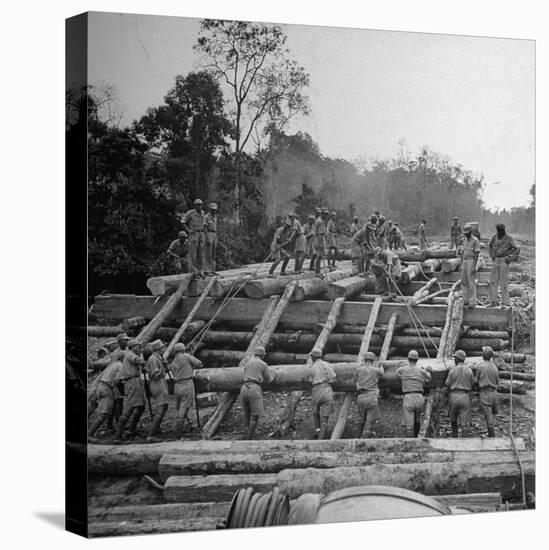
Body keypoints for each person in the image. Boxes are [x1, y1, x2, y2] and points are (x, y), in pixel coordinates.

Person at [239, 346, 276, 440]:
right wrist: (274, 376)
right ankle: (248, 439)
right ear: (262, 355)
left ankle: (244, 435)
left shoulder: (248, 362)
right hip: (254, 389)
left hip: (244, 388)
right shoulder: (263, 364)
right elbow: (268, 379)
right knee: (255, 416)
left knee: (246, 413)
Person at [113, 339, 146, 442]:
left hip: (137, 381)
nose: (138, 348)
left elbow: (139, 364)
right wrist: (145, 360)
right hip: (131, 382)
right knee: (130, 407)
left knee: (141, 407)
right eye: (136, 346)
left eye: (139, 346)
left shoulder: (134, 354)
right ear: (131, 347)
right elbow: (138, 361)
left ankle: (131, 430)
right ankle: (117, 436)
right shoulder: (129, 354)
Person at [169, 343, 203, 438]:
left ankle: (189, 425)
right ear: (183, 350)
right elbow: (200, 364)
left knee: (180, 407)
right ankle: (178, 433)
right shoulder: (187, 356)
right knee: (185, 407)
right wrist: (191, 358)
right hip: (187, 384)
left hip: (177, 386)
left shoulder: (173, 361)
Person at [396, 350, 432, 437]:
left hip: (408, 397)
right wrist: (427, 370)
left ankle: (410, 442)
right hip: (419, 397)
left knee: (409, 424)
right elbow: (429, 378)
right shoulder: (421, 370)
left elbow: (397, 374)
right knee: (417, 419)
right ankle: (417, 438)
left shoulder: (402, 370)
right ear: (417, 360)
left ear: (408, 359)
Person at [88, 355, 123, 439]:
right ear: (122, 358)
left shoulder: (112, 364)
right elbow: (117, 381)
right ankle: (89, 434)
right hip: (107, 388)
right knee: (104, 413)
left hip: (100, 386)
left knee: (93, 408)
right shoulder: (120, 366)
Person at [488, 223, 520, 307]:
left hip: (504, 260)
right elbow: (490, 246)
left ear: (503, 230)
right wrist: (492, 256)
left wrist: (511, 258)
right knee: (493, 281)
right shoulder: (494, 237)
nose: (499, 232)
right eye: (498, 230)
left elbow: (517, 248)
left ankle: (504, 302)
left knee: (503, 282)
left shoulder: (509, 238)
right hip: (496, 260)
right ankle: (493, 301)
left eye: (501, 230)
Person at [444, 350, 475, 437]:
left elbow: (447, 384)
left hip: (453, 396)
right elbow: (472, 383)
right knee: (464, 422)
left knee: (453, 419)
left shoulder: (452, 370)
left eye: (455, 358)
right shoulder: (469, 370)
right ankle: (464, 442)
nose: (454, 360)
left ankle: (455, 438)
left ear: (457, 359)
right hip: (465, 397)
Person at [308, 348, 336, 439]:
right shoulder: (328, 365)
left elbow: (310, 380)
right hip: (327, 390)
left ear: (313, 357)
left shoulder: (312, 367)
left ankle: (317, 431)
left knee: (315, 412)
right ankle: (322, 436)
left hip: (316, 391)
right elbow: (333, 379)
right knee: (325, 415)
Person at [354, 351, 384, 438]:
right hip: (371, 398)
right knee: (370, 421)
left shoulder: (358, 370)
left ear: (364, 360)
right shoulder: (375, 370)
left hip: (360, 398)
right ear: (373, 361)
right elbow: (381, 373)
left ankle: (357, 438)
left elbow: (355, 379)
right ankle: (364, 441)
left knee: (362, 420)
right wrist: (380, 365)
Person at [145, 339, 169, 442]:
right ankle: (151, 435)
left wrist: (164, 365)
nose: (164, 348)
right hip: (157, 384)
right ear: (159, 349)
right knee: (161, 407)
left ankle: (157, 430)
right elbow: (154, 376)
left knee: (165, 406)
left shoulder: (158, 357)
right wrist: (162, 368)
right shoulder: (153, 359)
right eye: (162, 347)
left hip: (161, 383)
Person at [474, 346, 500, 437]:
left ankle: (492, 438)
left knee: (489, 417)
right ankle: (492, 433)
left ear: (483, 355)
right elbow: (497, 382)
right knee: (493, 415)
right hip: (494, 393)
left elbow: (476, 381)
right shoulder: (495, 367)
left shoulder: (480, 366)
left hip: (485, 393)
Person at [458, 223, 481, 308]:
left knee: (471, 282)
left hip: (471, 261)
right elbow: (462, 253)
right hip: (464, 261)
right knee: (463, 281)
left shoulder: (475, 240)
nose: (466, 234)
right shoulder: (464, 240)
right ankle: (465, 300)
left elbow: (477, 254)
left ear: (470, 232)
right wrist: (461, 264)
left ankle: (472, 301)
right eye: (465, 233)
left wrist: (474, 266)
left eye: (467, 233)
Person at [182, 198, 205, 275]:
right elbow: (183, 221)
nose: (199, 206)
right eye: (198, 205)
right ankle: (192, 271)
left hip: (201, 234)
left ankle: (200, 271)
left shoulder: (203, 213)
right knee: (193, 253)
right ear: (195, 206)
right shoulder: (190, 213)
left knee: (201, 253)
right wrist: (188, 230)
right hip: (193, 234)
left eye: (200, 205)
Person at [312, 207, 329, 275]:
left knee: (319, 257)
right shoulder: (320, 221)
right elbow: (320, 234)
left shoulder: (320, 220)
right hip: (319, 240)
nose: (326, 215)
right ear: (322, 214)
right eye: (325, 214)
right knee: (319, 256)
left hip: (318, 239)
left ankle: (317, 271)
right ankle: (317, 272)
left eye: (326, 214)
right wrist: (320, 244)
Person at [203, 203, 218, 275]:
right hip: (208, 233)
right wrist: (207, 237)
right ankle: (207, 270)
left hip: (214, 234)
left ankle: (213, 270)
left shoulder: (215, 217)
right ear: (209, 209)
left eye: (214, 210)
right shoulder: (206, 217)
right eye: (212, 210)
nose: (213, 211)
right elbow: (204, 228)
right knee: (208, 253)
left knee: (213, 253)